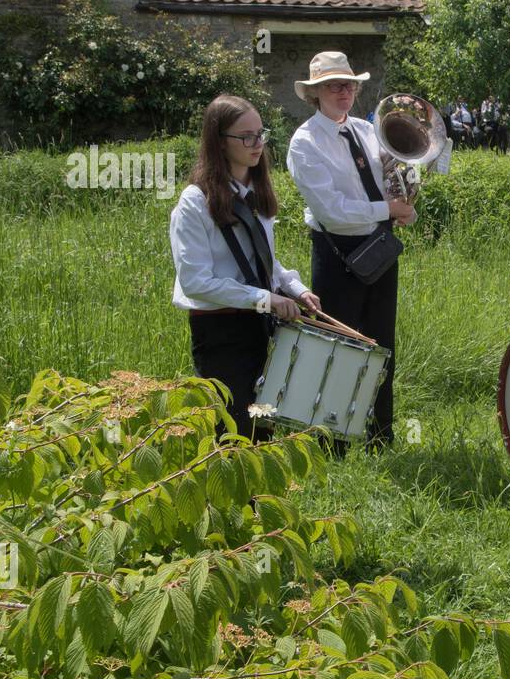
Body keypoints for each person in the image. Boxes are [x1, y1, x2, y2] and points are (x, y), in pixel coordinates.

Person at [170, 94, 320, 438]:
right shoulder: (195, 201)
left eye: (260, 134)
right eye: (246, 137)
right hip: (219, 329)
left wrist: (295, 289)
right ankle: (231, 493)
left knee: (261, 422)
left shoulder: (254, 190)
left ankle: (259, 492)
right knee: (233, 428)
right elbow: (195, 281)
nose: (257, 144)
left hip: (258, 324)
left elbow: (263, 258)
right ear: (219, 143)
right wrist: (265, 298)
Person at [286, 52, 416, 446]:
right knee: (341, 345)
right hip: (337, 250)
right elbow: (333, 212)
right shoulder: (305, 141)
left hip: (378, 244)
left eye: (349, 85)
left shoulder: (366, 129)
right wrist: (387, 208)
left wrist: (405, 196)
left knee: (382, 343)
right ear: (316, 94)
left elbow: (393, 178)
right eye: (334, 85)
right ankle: (333, 442)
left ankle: (381, 435)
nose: (345, 92)